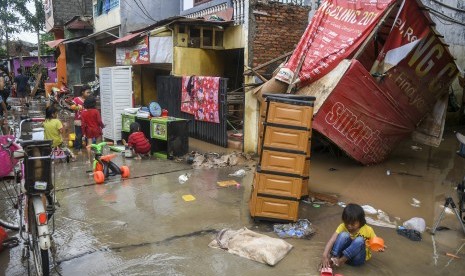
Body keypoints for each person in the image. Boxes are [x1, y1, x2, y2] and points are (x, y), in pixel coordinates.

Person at [320, 203, 383, 269]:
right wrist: (325, 256)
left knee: (360, 240)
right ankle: (333, 258)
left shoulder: (368, 229)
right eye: (347, 222)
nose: (349, 226)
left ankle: (341, 261)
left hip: (357, 259)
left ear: (360, 221)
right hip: (342, 255)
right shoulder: (343, 226)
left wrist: (379, 247)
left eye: (353, 224)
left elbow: (376, 242)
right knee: (343, 235)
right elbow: (332, 240)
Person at [81, 96, 104, 162]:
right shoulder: (96, 111)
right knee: (98, 144)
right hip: (96, 129)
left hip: (88, 130)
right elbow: (99, 121)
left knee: (89, 145)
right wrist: (102, 126)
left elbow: (83, 125)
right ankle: (98, 158)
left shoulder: (83, 113)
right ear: (93, 103)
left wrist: (83, 133)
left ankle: (89, 160)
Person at [72, 85, 91, 153]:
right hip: (78, 120)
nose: (89, 94)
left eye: (89, 92)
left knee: (88, 134)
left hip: (87, 120)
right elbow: (72, 106)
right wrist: (77, 107)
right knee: (79, 135)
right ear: (82, 92)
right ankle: (78, 147)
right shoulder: (76, 99)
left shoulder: (89, 100)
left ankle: (88, 147)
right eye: (87, 92)